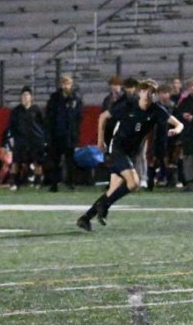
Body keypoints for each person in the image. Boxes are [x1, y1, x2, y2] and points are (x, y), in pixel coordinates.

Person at [77, 79, 182, 231]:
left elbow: (179, 124)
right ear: (140, 92)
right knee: (133, 183)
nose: (148, 95)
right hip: (117, 148)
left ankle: (86, 218)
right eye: (145, 91)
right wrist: (100, 141)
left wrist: (176, 130)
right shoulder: (129, 105)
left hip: (131, 153)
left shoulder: (157, 110)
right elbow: (103, 117)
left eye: (151, 92)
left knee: (113, 191)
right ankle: (104, 206)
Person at [43, 74, 83, 192]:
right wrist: (49, 133)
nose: (67, 86)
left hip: (70, 135)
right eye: (65, 83)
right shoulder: (54, 98)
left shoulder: (76, 99)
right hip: (57, 135)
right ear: (61, 85)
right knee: (55, 161)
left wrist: (76, 136)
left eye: (69, 84)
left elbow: (78, 119)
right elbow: (49, 117)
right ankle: (54, 184)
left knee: (70, 160)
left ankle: (70, 182)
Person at [6, 87, 46, 191]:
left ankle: (38, 182)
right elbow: (11, 126)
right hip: (20, 140)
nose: (25, 97)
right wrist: (11, 138)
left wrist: (44, 139)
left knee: (37, 162)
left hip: (35, 140)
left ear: (31, 97)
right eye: (23, 95)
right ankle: (14, 183)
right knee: (16, 163)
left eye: (27, 95)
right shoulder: (16, 111)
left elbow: (43, 124)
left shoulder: (37, 110)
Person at [175, 77, 193, 189]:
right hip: (187, 133)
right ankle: (189, 181)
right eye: (190, 86)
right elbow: (177, 114)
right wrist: (183, 115)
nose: (192, 88)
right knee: (187, 158)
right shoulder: (185, 101)